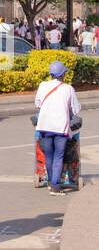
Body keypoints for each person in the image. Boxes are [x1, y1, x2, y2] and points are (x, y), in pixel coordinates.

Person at [35, 60, 81, 194]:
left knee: (48, 155)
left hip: (44, 126)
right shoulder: (68, 88)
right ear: (62, 74)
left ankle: (50, 182)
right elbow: (76, 109)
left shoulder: (42, 85)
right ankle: (55, 186)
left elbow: (37, 104)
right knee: (58, 156)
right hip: (60, 128)